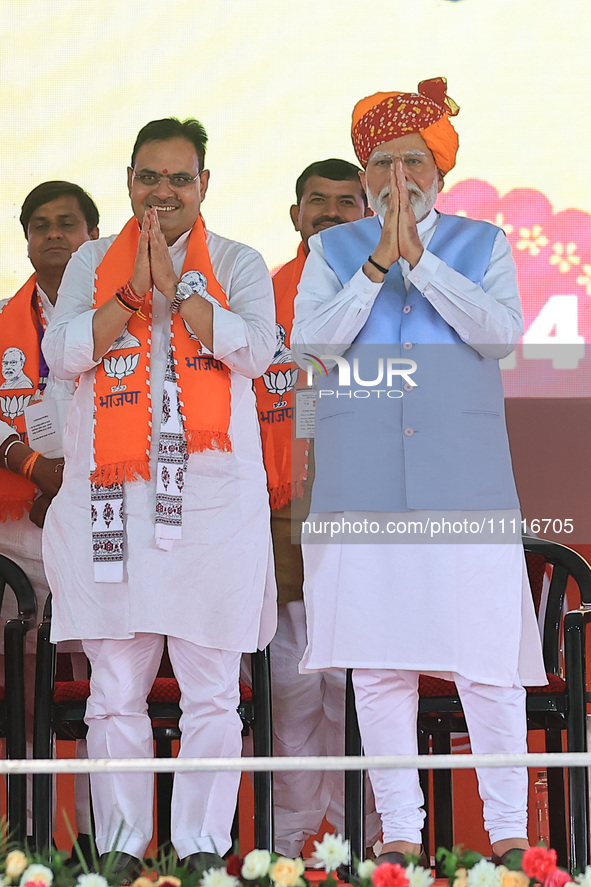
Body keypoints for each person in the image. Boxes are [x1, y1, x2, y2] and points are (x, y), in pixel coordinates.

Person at [291, 79, 547, 868]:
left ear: (438, 167)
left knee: (487, 666)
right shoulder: (333, 252)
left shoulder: (481, 243)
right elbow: (315, 344)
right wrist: (376, 265)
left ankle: (509, 834)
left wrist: (422, 265)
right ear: (363, 175)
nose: (395, 175)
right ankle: (397, 829)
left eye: (411, 158)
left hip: (461, 487)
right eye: (380, 161)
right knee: (379, 663)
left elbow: (500, 336)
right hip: (362, 489)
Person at [42, 118, 276, 874]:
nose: (163, 192)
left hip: (210, 507)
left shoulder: (238, 262)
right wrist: (132, 296)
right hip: (114, 501)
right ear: (130, 181)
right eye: (150, 177)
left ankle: (204, 848)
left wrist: (180, 294)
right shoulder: (89, 261)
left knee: (212, 689)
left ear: (203, 184)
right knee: (113, 688)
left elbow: (255, 351)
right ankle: (118, 846)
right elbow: (65, 350)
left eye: (179, 178)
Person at [254, 159, 380, 857]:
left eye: (344, 203)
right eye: (316, 202)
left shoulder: (391, 294)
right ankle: (289, 845)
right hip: (277, 523)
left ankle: (364, 843)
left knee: (355, 689)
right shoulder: (256, 295)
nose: (329, 214)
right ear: (294, 213)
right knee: (290, 691)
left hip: (362, 521)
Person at [0, 180, 100, 854]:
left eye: (68, 223)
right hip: (15, 531)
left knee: (106, 691)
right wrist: (35, 470)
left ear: (95, 235)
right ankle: (24, 842)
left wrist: (76, 483)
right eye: (41, 225)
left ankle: (101, 841)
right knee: (22, 691)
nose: (54, 235)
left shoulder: (129, 314)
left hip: (104, 523)